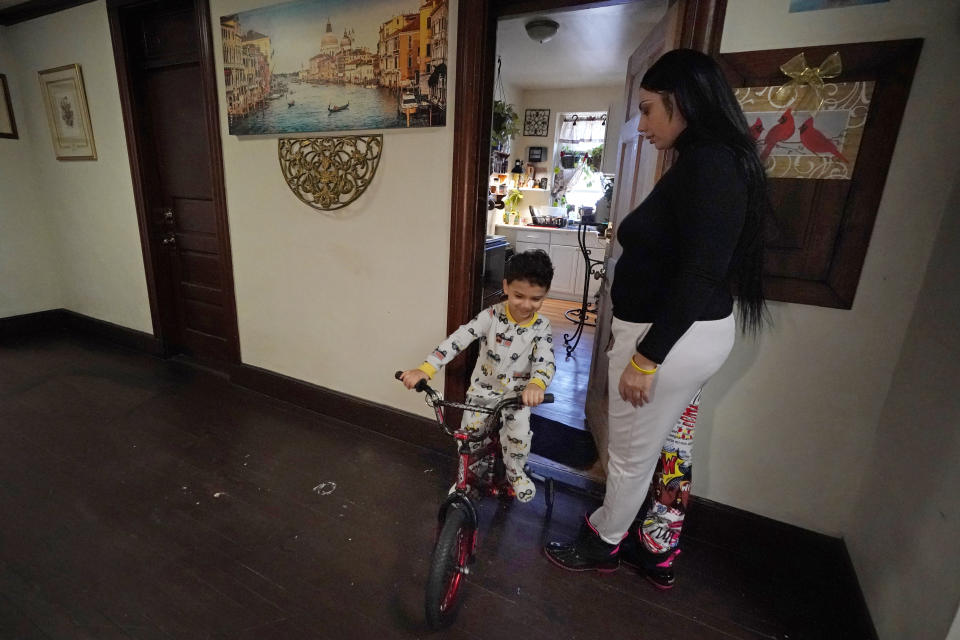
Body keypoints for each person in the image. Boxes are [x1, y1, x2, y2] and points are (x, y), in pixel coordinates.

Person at [544, 49, 769, 588]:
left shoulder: (712, 165)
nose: (640, 125)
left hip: (663, 341)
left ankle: (603, 542)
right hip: (681, 338)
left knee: (628, 455)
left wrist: (645, 358)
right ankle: (653, 547)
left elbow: (700, 274)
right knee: (665, 445)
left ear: (684, 101)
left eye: (647, 110)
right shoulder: (710, 161)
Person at [399, 250, 557, 503]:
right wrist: (426, 368)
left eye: (535, 299)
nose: (526, 305)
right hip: (482, 393)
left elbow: (545, 360)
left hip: (517, 398)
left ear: (545, 294)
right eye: (518, 295)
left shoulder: (541, 327)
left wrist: (537, 383)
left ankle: (515, 473)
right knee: (468, 441)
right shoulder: (490, 316)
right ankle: (469, 479)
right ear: (505, 286)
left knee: (518, 438)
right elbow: (458, 340)